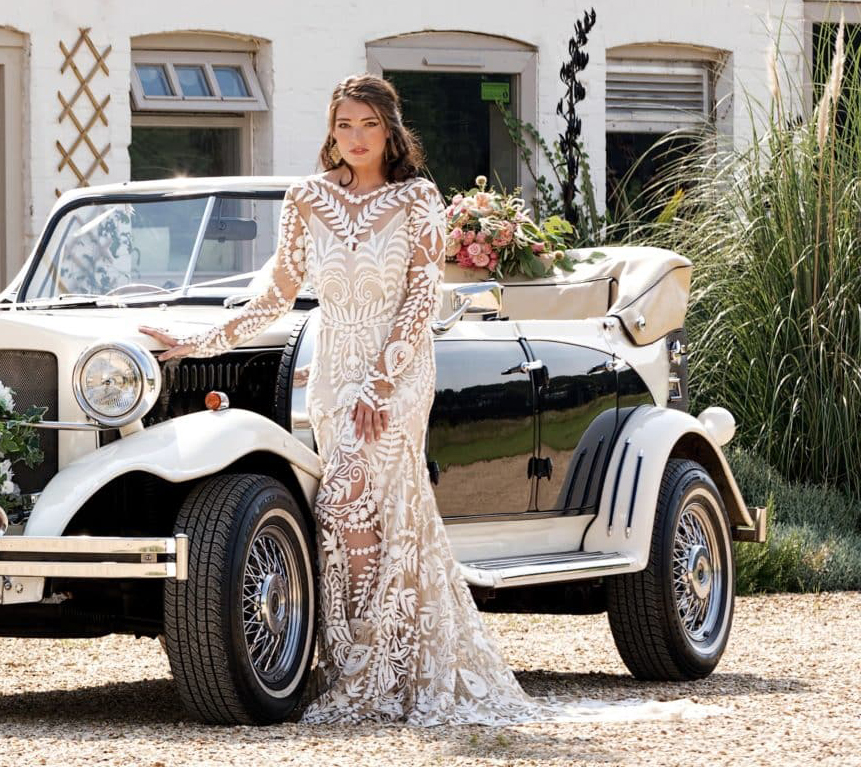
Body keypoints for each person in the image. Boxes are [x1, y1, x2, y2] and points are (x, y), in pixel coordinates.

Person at [140, 74, 715, 725]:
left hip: (398, 373)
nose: (355, 138)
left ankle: (375, 670)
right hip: (333, 373)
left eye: (368, 125)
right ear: (331, 130)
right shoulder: (304, 199)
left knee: (351, 497)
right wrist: (194, 341)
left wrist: (383, 381)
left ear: (391, 130)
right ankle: (370, 662)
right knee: (357, 514)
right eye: (344, 125)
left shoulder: (416, 197)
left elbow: (420, 299)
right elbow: (273, 296)